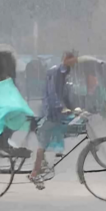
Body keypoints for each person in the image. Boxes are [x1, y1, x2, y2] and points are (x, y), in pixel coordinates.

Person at [29, 51, 78, 188]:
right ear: (65, 59)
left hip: (57, 111)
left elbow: (65, 94)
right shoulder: (56, 72)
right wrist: (61, 106)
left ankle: (43, 165)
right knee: (43, 143)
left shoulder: (65, 73)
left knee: (52, 136)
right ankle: (35, 173)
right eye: (71, 60)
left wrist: (73, 107)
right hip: (51, 111)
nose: (73, 63)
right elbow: (53, 93)